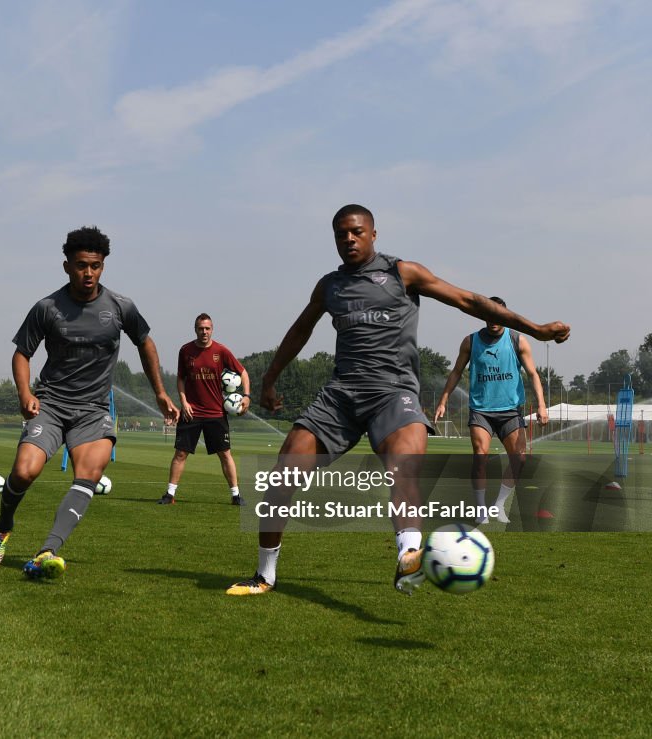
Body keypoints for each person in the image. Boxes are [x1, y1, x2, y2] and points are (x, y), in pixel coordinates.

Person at [227, 204, 569, 597]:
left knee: (404, 465)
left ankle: (408, 555)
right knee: (282, 478)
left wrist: (537, 330)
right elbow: (300, 329)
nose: (349, 239)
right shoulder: (329, 287)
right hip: (341, 396)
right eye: (341, 234)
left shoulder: (402, 273)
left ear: (373, 234)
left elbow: (470, 301)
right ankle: (265, 575)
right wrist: (269, 379)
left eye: (356, 232)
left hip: (394, 394)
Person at [0, 226, 180, 579]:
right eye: (80, 265)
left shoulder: (121, 306)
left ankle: (48, 550)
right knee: (25, 472)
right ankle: (2, 526)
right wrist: (25, 393)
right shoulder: (47, 307)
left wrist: (161, 393)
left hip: (93, 411)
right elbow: (22, 353)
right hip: (52, 405)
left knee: (89, 473)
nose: (88, 273)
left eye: (95, 266)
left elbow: (145, 343)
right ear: (66, 266)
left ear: (103, 265)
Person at [433, 298, 550, 524]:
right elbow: (456, 372)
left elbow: (533, 374)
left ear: (505, 316)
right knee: (480, 456)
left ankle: (498, 505)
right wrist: (443, 401)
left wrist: (542, 404)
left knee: (520, 460)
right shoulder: (470, 341)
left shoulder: (518, 341)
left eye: (498, 316)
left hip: (510, 411)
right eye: (489, 315)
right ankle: (480, 509)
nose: (493, 320)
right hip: (481, 411)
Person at [158, 313, 250, 506]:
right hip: (191, 412)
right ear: (195, 329)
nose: (204, 332)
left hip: (216, 413)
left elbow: (243, 373)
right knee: (180, 453)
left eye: (207, 328)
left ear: (212, 329)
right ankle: (169, 494)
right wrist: (183, 401)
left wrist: (247, 396)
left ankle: (236, 495)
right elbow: (181, 378)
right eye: (201, 328)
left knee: (225, 454)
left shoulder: (221, 351)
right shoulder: (186, 350)